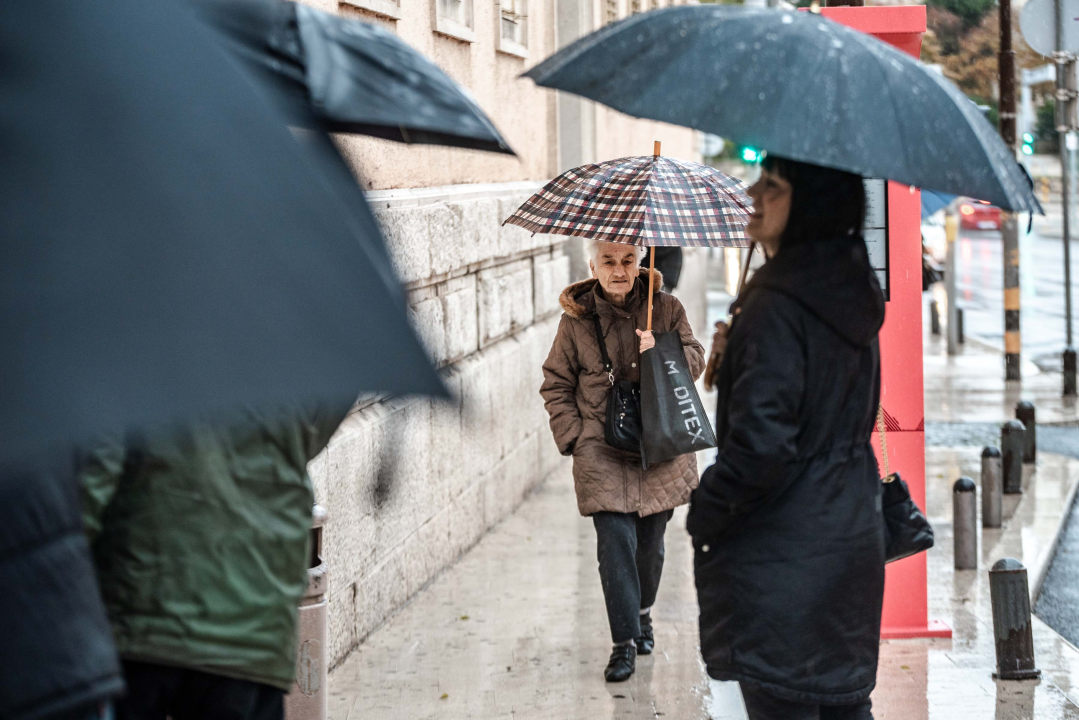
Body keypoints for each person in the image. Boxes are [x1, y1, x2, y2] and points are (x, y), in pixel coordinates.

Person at [688, 156, 886, 720]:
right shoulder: (849, 288)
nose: (751, 193)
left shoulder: (778, 306)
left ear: (812, 203)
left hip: (785, 550)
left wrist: (708, 505)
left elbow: (762, 449)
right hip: (848, 538)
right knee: (842, 706)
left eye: (771, 186)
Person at [79, 404, 347, 720]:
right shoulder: (292, 359)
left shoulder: (128, 358)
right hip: (252, 616)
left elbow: (92, 480)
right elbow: (314, 429)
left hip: (146, 612)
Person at [540, 239, 705, 683]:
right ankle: (623, 643)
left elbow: (697, 358)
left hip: (659, 450)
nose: (619, 270)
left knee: (649, 548)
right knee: (614, 543)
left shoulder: (666, 308)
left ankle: (644, 612)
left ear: (641, 263)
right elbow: (555, 383)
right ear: (592, 265)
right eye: (609, 262)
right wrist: (575, 438)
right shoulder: (575, 322)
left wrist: (663, 349)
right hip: (602, 449)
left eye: (628, 260)